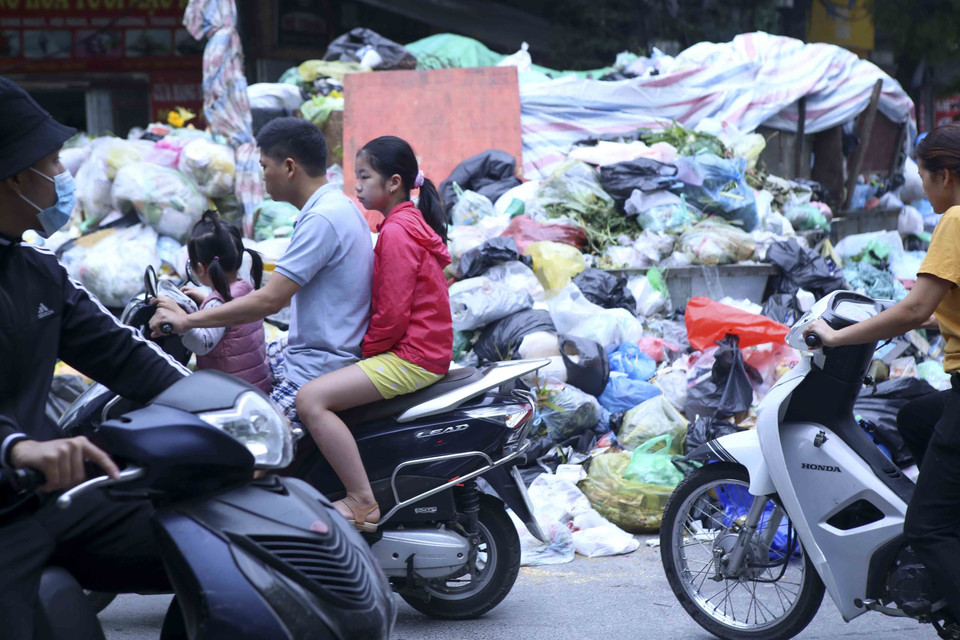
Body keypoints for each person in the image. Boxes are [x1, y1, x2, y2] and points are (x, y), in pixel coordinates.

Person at [0, 76, 190, 638]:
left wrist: (231, 408)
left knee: (211, 535)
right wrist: (17, 446)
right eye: (54, 164)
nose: (62, 178)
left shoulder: (38, 272)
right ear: (15, 175)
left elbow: (125, 354)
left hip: (46, 497)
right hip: (9, 501)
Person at [803, 122, 960, 623]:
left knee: (928, 527)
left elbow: (916, 312)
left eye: (923, 175)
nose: (924, 185)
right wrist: (894, 314)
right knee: (915, 417)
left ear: (946, 175)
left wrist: (839, 337)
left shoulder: (955, 220)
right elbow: (930, 306)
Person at [151, 117, 374, 424]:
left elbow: (271, 300)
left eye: (265, 166)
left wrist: (188, 320)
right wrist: (205, 297)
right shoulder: (334, 207)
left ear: (290, 167)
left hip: (319, 367)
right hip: (314, 351)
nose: (263, 176)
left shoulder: (323, 219)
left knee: (245, 439)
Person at [295, 136, 452, 530]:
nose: (357, 186)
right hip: (421, 350)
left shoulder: (397, 233)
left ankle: (362, 501)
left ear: (394, 182)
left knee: (311, 400)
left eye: (364, 176)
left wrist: (365, 351)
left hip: (412, 356)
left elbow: (392, 313)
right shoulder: (404, 224)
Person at [176, 210, 271, 392]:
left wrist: (181, 322)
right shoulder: (246, 288)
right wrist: (205, 300)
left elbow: (202, 345)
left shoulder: (218, 303)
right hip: (256, 383)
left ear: (199, 268)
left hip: (231, 392)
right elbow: (231, 320)